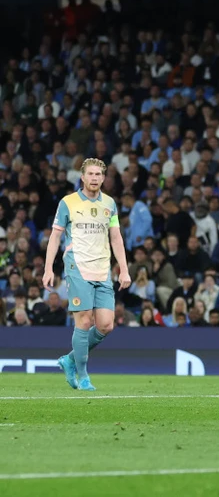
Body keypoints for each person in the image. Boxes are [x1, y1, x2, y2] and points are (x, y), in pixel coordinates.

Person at [40, 159, 131, 391]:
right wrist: (48, 268)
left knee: (106, 325)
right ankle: (83, 376)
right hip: (77, 267)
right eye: (90, 174)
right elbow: (55, 237)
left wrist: (124, 269)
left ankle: (70, 360)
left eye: (98, 174)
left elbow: (116, 238)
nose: (94, 178)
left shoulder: (110, 204)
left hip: (103, 270)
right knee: (84, 320)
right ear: (82, 177)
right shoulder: (67, 203)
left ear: (103, 178)